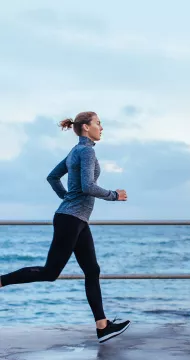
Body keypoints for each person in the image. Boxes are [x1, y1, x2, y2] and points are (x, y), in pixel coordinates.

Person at [0, 111, 130, 343]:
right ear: (85, 128)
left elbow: (53, 177)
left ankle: (102, 327)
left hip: (76, 219)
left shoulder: (75, 151)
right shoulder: (86, 151)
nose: (102, 127)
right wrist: (114, 195)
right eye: (98, 123)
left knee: (92, 270)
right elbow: (88, 186)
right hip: (71, 220)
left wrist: (67, 198)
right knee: (51, 272)